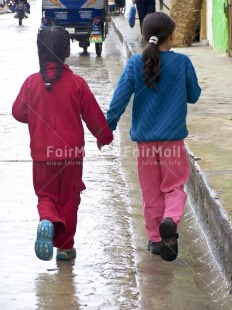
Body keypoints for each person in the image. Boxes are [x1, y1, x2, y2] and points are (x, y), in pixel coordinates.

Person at [12, 26, 113, 261]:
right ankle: (66, 248)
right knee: (70, 198)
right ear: (67, 51)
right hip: (72, 155)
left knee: (46, 196)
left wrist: (36, 115)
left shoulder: (30, 83)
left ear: (39, 52)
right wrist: (104, 137)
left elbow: (17, 112)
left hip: (41, 156)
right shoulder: (77, 83)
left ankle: (47, 220)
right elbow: (94, 117)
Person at [106, 12, 201, 262]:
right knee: (173, 188)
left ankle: (156, 241)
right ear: (172, 37)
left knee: (150, 193)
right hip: (172, 141)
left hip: (145, 144)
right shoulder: (182, 63)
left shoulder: (136, 63)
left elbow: (120, 99)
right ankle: (170, 220)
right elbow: (194, 95)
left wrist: (108, 126)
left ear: (144, 36)